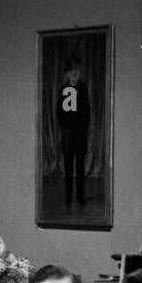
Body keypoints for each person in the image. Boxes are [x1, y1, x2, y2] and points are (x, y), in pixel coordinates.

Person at [56, 56, 90, 207]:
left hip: (80, 135)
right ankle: (68, 197)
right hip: (68, 136)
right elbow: (59, 112)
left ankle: (80, 196)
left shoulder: (83, 88)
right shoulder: (64, 89)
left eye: (76, 70)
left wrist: (83, 130)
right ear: (67, 73)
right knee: (68, 167)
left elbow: (88, 111)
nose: (74, 73)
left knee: (80, 167)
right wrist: (65, 130)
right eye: (71, 71)